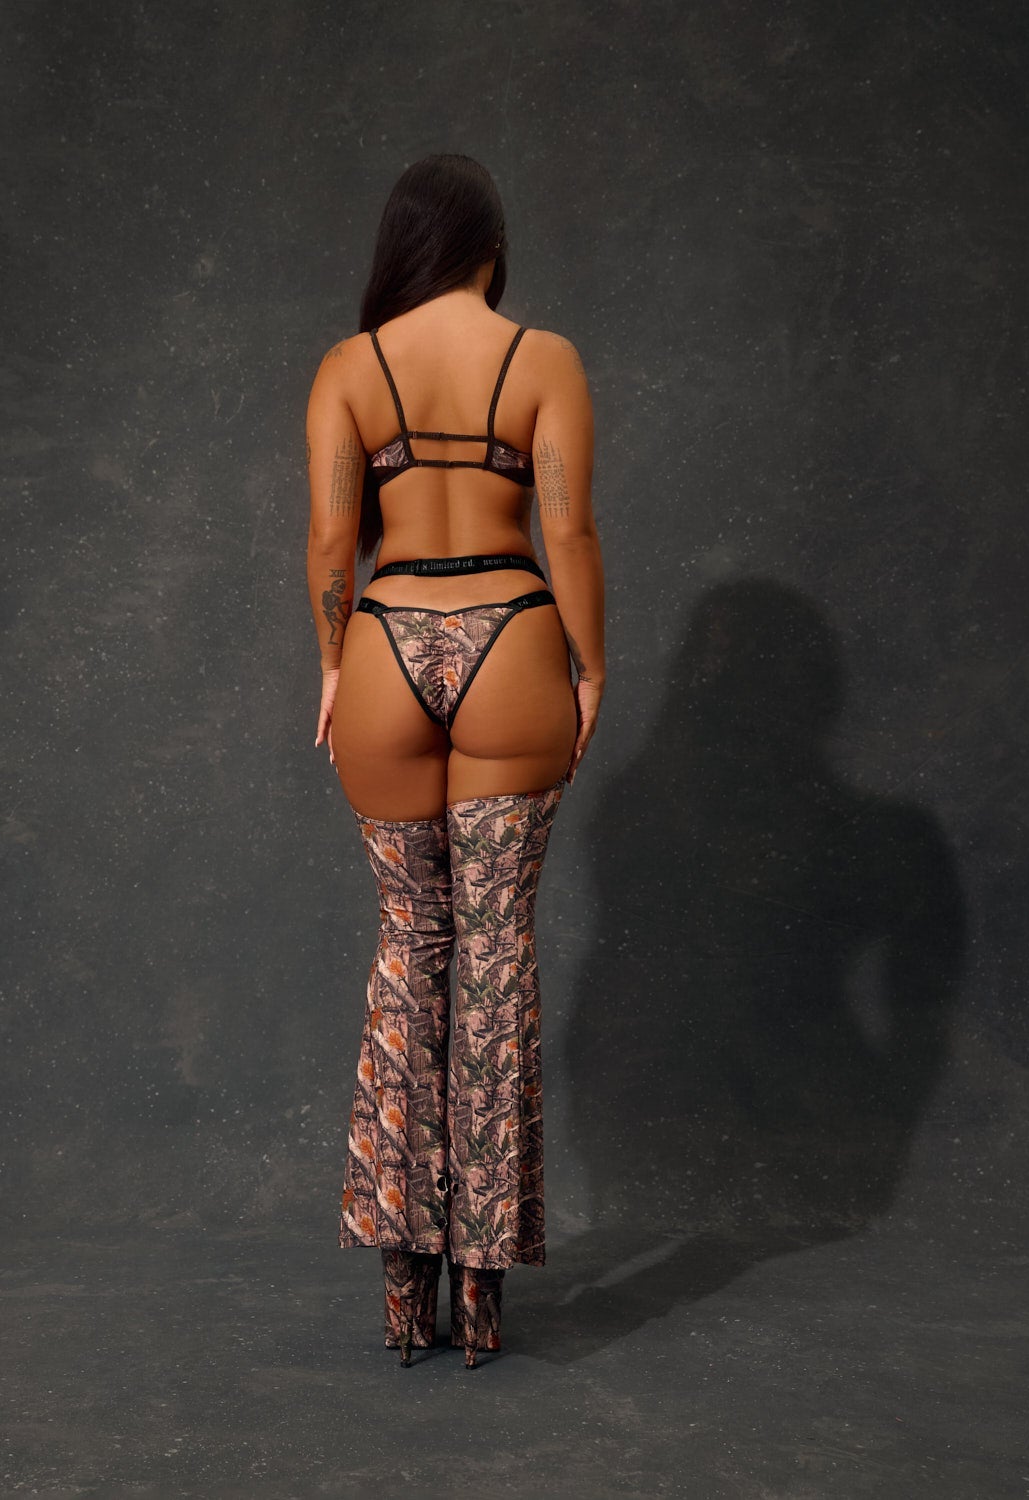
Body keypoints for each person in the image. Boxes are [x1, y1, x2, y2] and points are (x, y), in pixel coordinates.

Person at [304, 153, 605, 1368]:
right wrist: (591, 668)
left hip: (386, 643)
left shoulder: (349, 369)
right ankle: (482, 1298)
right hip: (513, 640)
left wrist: (334, 664)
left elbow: (333, 537)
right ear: (490, 245)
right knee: (494, 957)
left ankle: (401, 1297)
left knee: (410, 953)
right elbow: (567, 526)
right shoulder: (544, 361)